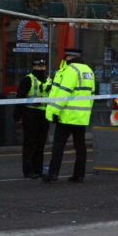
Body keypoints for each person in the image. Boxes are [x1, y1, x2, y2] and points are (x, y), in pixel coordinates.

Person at [43, 48, 95, 183]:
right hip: (81, 116)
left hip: (67, 115)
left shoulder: (71, 70)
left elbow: (63, 93)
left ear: (68, 58)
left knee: (58, 145)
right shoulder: (88, 71)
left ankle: (53, 174)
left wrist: (55, 112)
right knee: (80, 146)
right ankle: (79, 175)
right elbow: (92, 93)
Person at [14, 58, 52, 179]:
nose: (41, 68)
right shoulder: (28, 79)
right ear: (33, 67)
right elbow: (19, 98)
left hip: (44, 114)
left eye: (43, 66)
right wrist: (18, 115)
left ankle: (38, 169)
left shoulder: (49, 80)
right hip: (30, 113)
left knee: (41, 143)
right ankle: (28, 170)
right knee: (30, 143)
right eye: (38, 66)